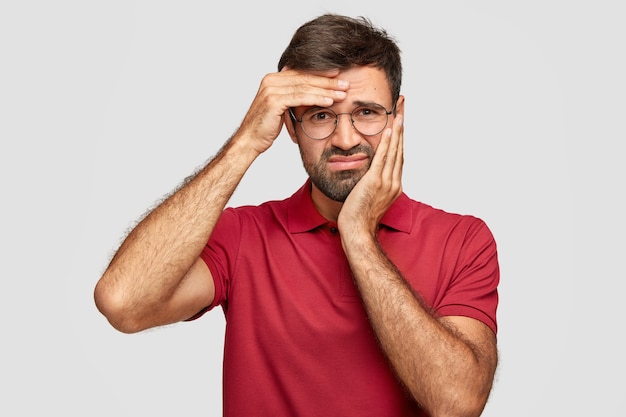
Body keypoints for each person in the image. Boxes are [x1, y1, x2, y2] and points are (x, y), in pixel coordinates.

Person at [94, 13, 500, 417]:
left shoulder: (463, 240)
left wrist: (357, 234)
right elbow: (122, 302)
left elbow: (457, 403)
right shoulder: (242, 236)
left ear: (397, 115)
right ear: (290, 125)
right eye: (320, 116)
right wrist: (245, 143)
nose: (345, 139)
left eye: (367, 112)